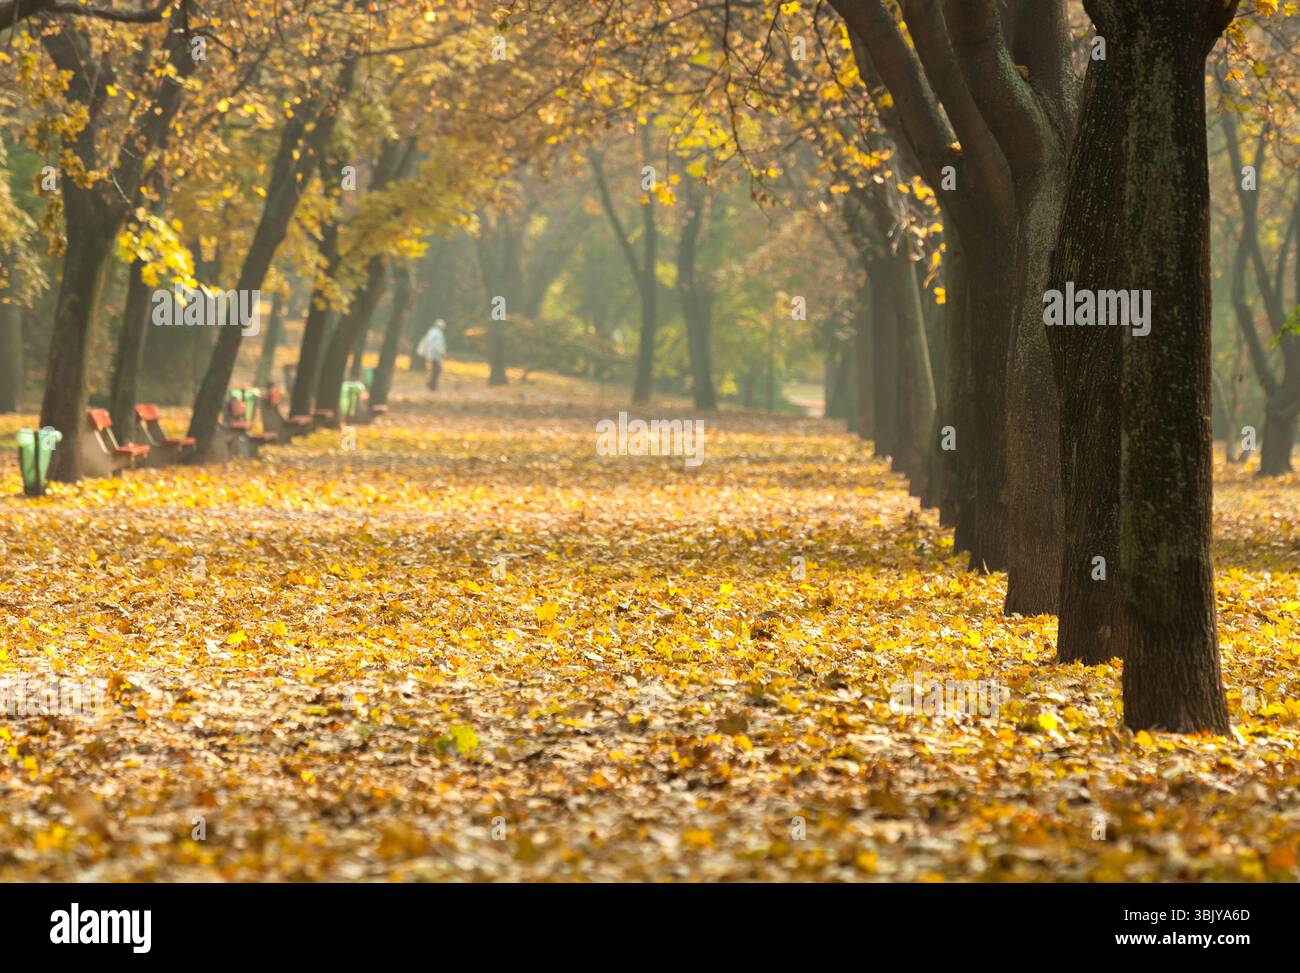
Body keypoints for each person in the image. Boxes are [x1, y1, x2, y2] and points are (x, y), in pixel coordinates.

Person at [416, 319, 447, 391]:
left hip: (430, 354)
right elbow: (438, 345)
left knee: (435, 370)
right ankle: (432, 385)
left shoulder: (431, 332)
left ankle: (431, 384)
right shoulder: (438, 334)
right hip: (435, 354)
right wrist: (443, 353)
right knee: (437, 370)